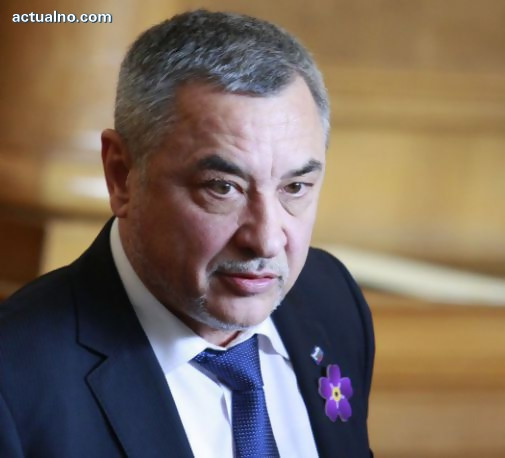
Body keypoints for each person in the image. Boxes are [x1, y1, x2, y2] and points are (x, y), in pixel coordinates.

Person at [0, 9, 374, 458]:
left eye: (294, 188)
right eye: (223, 188)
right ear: (121, 175)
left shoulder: (331, 300)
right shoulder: (14, 381)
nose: (267, 240)